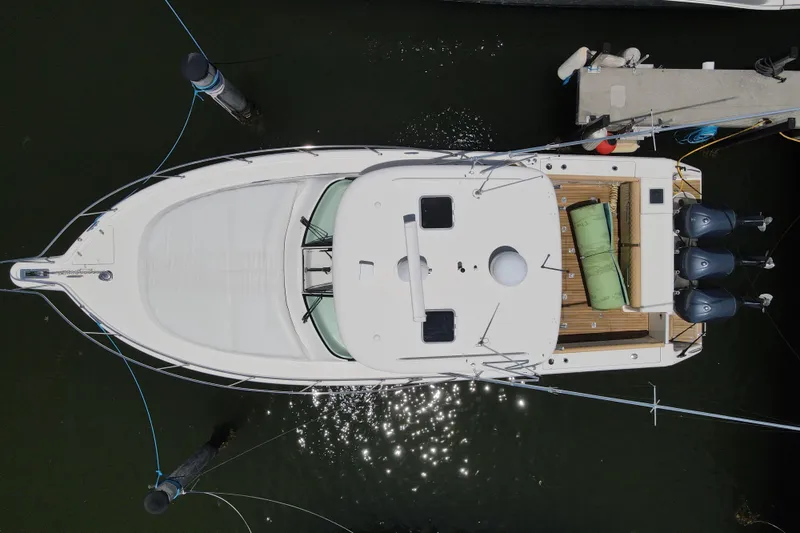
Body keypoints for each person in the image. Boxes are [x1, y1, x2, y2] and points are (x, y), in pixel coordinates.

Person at [143, 424, 233, 515]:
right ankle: (221, 435)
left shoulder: (168, 497)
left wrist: (181, 492)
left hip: (186, 474)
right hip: (177, 477)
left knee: (206, 453)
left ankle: (223, 435)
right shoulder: (159, 489)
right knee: (203, 454)